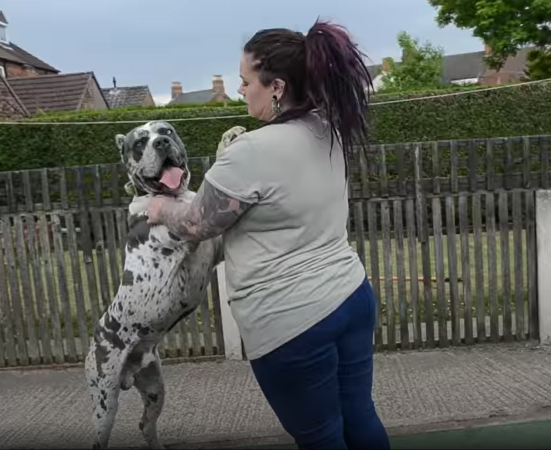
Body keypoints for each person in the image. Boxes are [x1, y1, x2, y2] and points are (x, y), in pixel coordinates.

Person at [144, 19, 391, 450]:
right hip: (351, 298)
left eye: (244, 81)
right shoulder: (331, 131)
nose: (241, 90)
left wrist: (159, 207)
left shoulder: (251, 152)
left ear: (275, 86)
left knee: (323, 438)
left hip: (292, 322)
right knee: (359, 414)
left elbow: (197, 225)